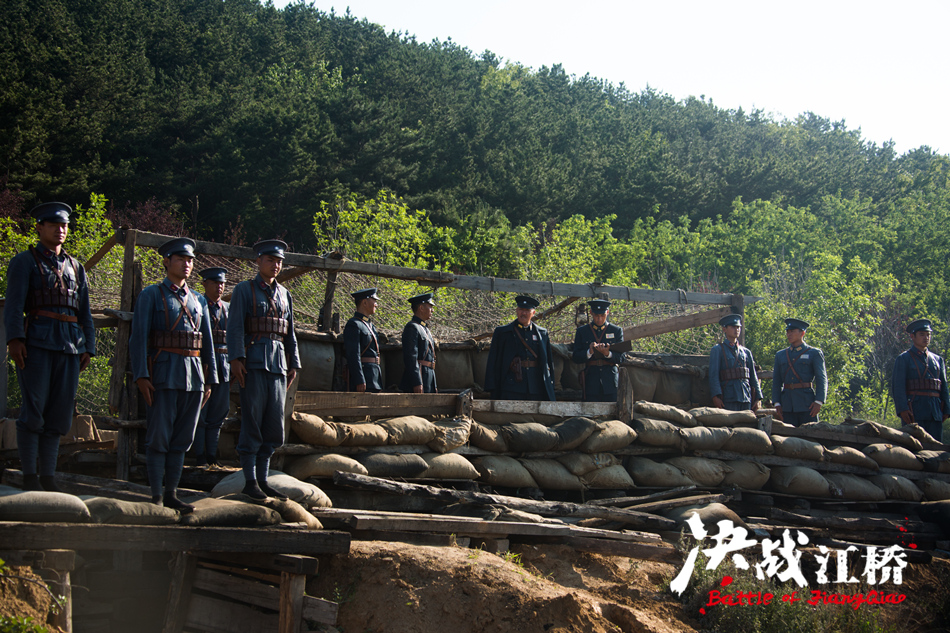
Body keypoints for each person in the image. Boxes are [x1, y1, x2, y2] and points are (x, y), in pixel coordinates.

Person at [5, 202, 95, 492]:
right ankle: (30, 477)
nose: (61, 230)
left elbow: (85, 312)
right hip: (37, 345)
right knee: (33, 412)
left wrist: (89, 346)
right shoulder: (24, 261)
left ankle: (49, 478)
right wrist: (15, 339)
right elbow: (15, 304)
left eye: (65, 226)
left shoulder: (75, 266)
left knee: (59, 414)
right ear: (39, 227)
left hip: (70, 346)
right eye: (55, 225)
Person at [130, 237, 217, 512]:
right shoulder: (151, 295)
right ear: (167, 262)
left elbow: (208, 342)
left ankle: (171, 493)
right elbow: (138, 338)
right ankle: (156, 496)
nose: (187, 264)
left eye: (190, 260)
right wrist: (141, 376)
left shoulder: (199, 300)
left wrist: (211, 378)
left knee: (182, 439)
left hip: (193, 377)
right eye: (181, 259)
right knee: (159, 437)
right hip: (163, 375)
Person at [227, 240, 300, 500]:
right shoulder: (244, 290)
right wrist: (236, 359)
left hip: (279, 365)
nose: (276, 265)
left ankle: (263, 479)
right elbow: (234, 327)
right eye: (270, 260)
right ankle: (249, 481)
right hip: (253, 364)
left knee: (273, 426)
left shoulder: (285, 294)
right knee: (252, 422)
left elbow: (289, 331)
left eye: (279, 261)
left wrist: (294, 363)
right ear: (258, 261)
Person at [484, 295, 555, 401]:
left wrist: (550, 383)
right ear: (517, 311)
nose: (524, 313)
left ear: (533, 313)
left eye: (527, 310)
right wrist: (491, 386)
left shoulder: (542, 333)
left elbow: (548, 360)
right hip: (511, 386)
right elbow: (493, 360)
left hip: (535, 386)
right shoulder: (503, 332)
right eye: (521, 309)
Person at [193, 267, 230, 467]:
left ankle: (212, 457)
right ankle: (199, 456)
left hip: (224, 368)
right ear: (204, 284)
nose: (219, 287)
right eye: (215, 283)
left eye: (222, 283)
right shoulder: (197, 305)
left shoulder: (228, 308)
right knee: (201, 413)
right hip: (203, 366)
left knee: (219, 413)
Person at [892, 319, 950, 443]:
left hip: (935, 412)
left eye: (928, 334)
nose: (926, 337)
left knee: (936, 449)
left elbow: (943, 386)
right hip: (913, 411)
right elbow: (898, 387)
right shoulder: (903, 359)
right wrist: (902, 409)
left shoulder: (938, 360)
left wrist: (947, 409)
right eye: (922, 334)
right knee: (914, 448)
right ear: (912, 336)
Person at [771, 318, 827, 427]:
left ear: (802, 333)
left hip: (807, 404)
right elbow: (777, 381)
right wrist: (777, 402)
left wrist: (819, 401)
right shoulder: (781, 355)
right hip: (787, 405)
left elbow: (821, 378)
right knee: (788, 439)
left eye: (792, 331)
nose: (789, 334)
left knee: (810, 438)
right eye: (787, 331)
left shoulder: (814, 353)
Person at [571, 299, 626, 402]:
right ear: (591, 313)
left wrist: (608, 354)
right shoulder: (582, 331)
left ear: (607, 313)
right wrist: (589, 352)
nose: (599, 319)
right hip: (591, 381)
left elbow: (622, 358)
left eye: (602, 315)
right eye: (596, 315)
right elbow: (576, 357)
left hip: (610, 381)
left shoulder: (616, 331)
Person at [709, 314, 763, 411]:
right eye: (733, 327)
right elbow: (713, 375)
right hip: (728, 397)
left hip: (746, 396)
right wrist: (715, 396)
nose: (736, 330)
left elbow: (753, 376)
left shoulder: (746, 352)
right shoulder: (718, 350)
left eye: (738, 327)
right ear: (724, 329)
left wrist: (758, 398)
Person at [344, 288, 382, 393]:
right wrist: (359, 379)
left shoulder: (370, 325)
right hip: (364, 378)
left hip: (374, 377)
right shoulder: (354, 324)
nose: (376, 304)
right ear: (365, 302)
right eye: (374, 301)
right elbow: (353, 354)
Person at [400, 292, 438, 393]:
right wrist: (417, 382)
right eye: (430, 306)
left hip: (427, 377)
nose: (432, 310)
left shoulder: (424, 328)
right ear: (421, 308)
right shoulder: (412, 327)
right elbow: (411, 357)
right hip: (419, 378)